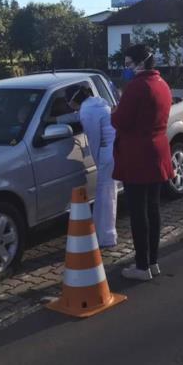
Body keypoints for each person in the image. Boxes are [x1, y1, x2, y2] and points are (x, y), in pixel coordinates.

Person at [111, 43, 173, 281]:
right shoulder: (162, 84)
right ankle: (153, 261)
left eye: (128, 64)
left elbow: (122, 120)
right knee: (153, 208)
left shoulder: (136, 87)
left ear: (140, 62)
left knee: (139, 213)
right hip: (157, 151)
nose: (126, 68)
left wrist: (113, 113)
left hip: (137, 154)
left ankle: (141, 265)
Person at [68, 85, 118, 248]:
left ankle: (106, 236)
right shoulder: (97, 104)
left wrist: (97, 162)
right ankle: (103, 234)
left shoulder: (87, 111)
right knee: (109, 193)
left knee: (105, 195)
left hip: (105, 153)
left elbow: (93, 139)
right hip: (113, 150)